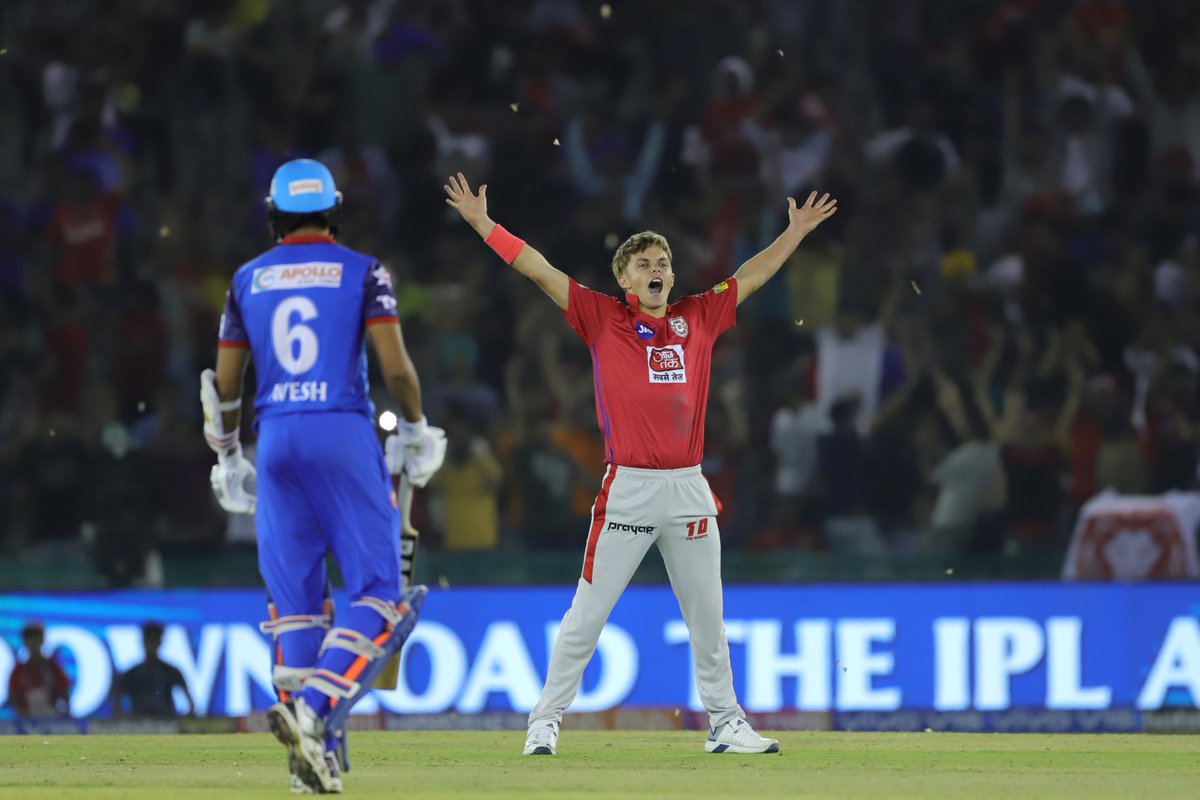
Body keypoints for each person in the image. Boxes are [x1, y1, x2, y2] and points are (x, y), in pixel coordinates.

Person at [444, 172, 836, 756]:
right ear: (624, 278)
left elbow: (753, 274)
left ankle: (726, 723)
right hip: (628, 487)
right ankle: (544, 722)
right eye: (645, 263)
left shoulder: (699, 317)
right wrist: (482, 225)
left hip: (687, 487)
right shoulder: (603, 318)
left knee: (709, 617)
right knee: (588, 614)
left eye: (665, 261)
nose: (658, 269)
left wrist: (794, 233)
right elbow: (539, 270)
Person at [203, 158, 446, 793]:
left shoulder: (246, 279)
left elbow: (225, 385)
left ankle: (313, 766)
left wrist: (228, 455)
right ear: (333, 211)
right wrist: (417, 428)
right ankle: (312, 712)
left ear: (273, 214)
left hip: (275, 437)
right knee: (381, 596)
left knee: (295, 609)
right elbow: (396, 371)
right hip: (341, 431)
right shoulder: (365, 271)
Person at [111, 622, 194, 718]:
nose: (151, 644)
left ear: (160, 641)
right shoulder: (130, 675)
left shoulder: (172, 672)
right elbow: (116, 705)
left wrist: (178, 724)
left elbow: (191, 705)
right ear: (143, 641)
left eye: (154, 639)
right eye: (148, 639)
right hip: (138, 728)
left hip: (165, 727)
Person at [6, 621, 70, 718]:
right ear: (24, 642)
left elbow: (65, 693)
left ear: (42, 640)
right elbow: (13, 696)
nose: (33, 642)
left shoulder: (52, 667)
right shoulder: (18, 671)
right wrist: (23, 713)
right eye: (29, 639)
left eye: (36, 638)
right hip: (27, 719)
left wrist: (63, 714)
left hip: (52, 716)